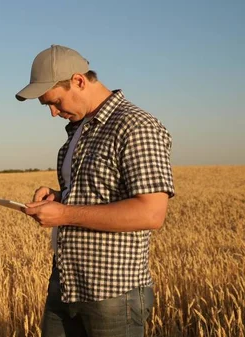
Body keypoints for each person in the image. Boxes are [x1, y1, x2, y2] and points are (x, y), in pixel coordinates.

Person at [15, 45, 175, 337]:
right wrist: (58, 196)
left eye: (56, 102)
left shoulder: (135, 126)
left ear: (78, 81)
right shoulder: (80, 129)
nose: (53, 113)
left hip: (113, 294)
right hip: (65, 284)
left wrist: (65, 213)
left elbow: (151, 212)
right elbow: (95, 195)